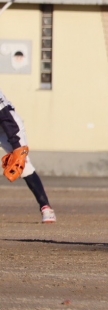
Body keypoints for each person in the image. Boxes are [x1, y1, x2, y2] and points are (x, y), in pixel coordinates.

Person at [0, 88, 56, 223]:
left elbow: (7, 120)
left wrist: (17, 147)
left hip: (9, 127)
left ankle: (46, 207)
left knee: (23, 165)